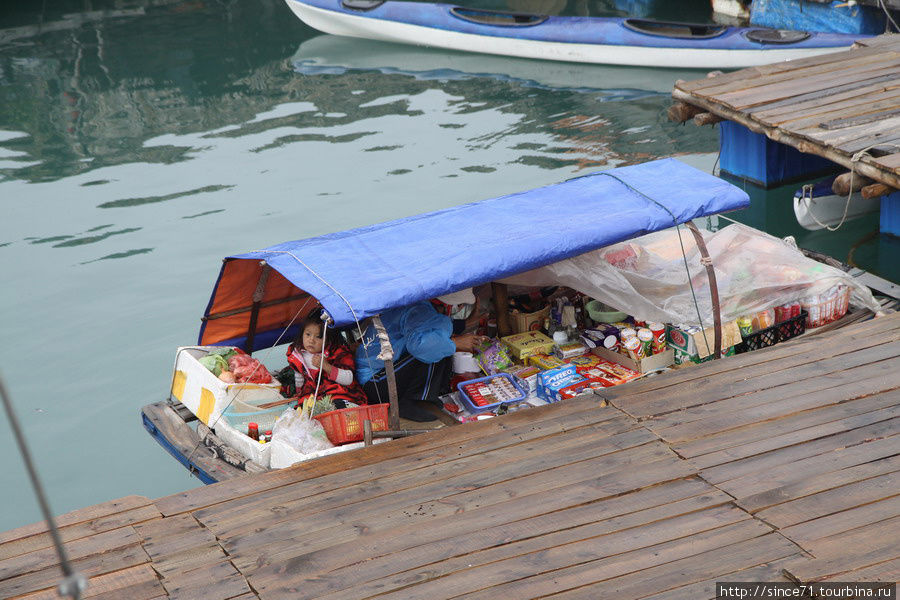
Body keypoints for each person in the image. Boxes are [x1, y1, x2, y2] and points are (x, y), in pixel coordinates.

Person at [355, 289, 486, 422]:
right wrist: (455, 343)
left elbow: (436, 325)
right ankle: (417, 402)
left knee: (439, 343)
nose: (461, 307)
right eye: (459, 305)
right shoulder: (418, 309)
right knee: (433, 349)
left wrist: (466, 324)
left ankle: (432, 395)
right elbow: (424, 345)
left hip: (383, 377)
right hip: (376, 383)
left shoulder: (423, 308)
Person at [286, 313, 368, 408]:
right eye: (308, 334)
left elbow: (349, 379)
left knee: (338, 404)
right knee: (301, 411)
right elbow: (299, 377)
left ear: (328, 339)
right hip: (312, 397)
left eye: (318, 337)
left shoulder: (338, 353)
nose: (311, 340)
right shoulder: (297, 354)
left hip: (337, 393)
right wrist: (298, 392)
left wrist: (326, 366)